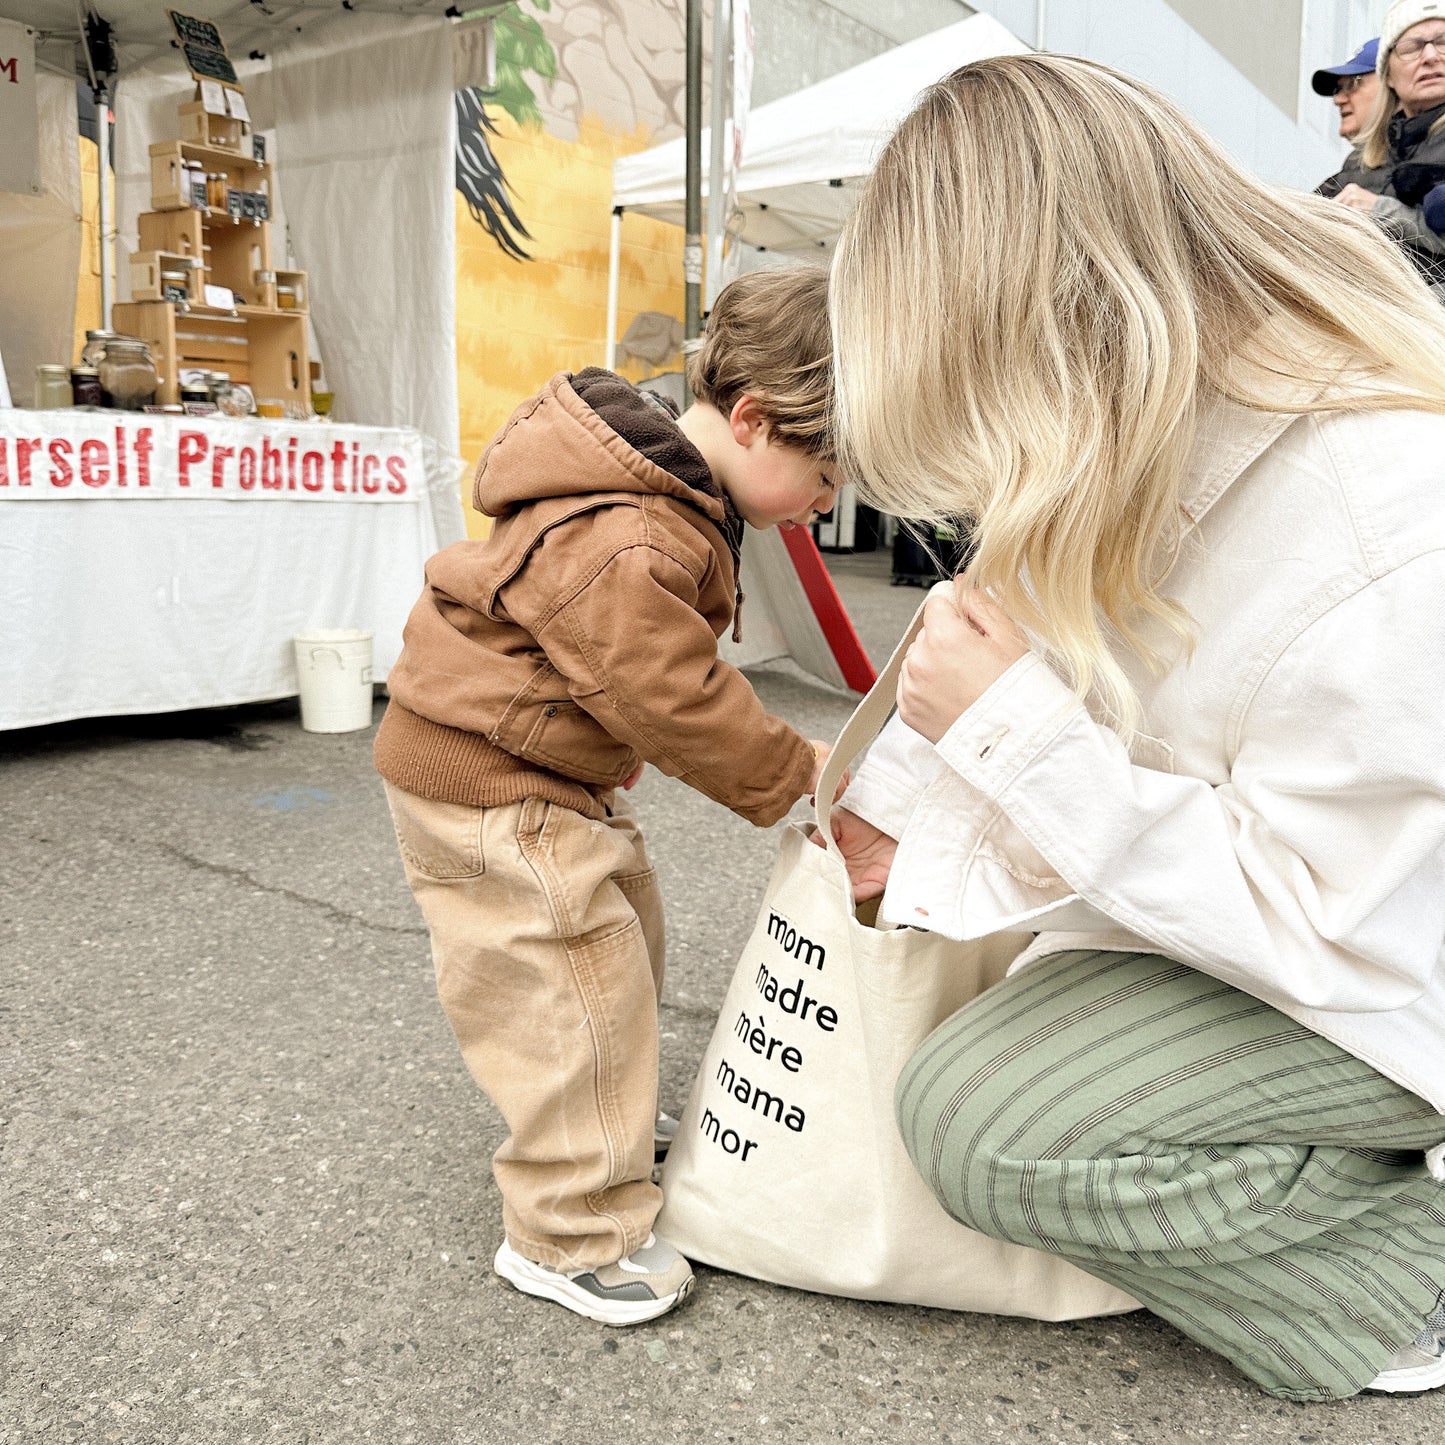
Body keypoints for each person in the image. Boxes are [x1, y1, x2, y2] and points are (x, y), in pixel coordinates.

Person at [824, 52, 1445, 1403]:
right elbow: (1044, 640)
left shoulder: (1385, 515)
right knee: (1007, 1028)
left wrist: (1009, 745)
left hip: (1396, 977)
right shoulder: (1149, 425)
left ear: (1055, 338)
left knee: (988, 1126)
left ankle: (1411, 1273)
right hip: (1330, 928)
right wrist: (901, 784)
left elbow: (1339, 925)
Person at [374, 268, 840, 1326]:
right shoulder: (637, 531)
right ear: (758, 420)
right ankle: (571, 1229)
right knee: (570, 983)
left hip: (539, 769)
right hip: (498, 781)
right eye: (825, 472)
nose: (825, 501)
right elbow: (667, 694)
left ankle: (608, 1118)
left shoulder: (659, 493)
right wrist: (787, 772)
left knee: (620, 940)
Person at [1323, 0, 1445, 289]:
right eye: (1410, 48)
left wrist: (1381, 211)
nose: (1429, 56)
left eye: (1443, 42)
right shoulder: (1359, 163)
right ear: (1387, 75)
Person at [1311, 36, 1380, 148]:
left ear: (1391, 84)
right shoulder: (1355, 164)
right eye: (1337, 89)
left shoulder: (1416, 157)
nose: (1337, 100)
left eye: (1352, 84)